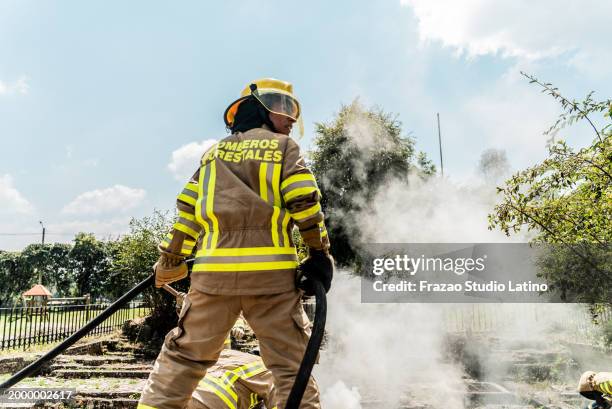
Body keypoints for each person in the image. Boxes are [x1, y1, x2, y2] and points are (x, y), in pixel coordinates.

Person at [138, 78, 334, 409]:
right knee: (291, 370)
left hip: (213, 281)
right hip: (272, 281)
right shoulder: (285, 149)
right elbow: (305, 201)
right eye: (283, 108)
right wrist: (319, 254)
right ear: (260, 108)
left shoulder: (213, 154)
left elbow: (188, 214)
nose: (290, 120)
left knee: (182, 361)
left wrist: (171, 262)